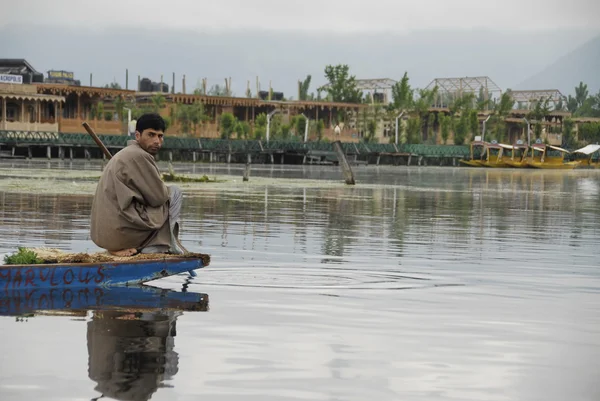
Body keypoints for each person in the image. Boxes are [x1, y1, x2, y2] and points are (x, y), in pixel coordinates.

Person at [90, 113, 184, 257]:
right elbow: (159, 198)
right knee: (175, 193)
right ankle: (161, 244)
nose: (157, 141)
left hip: (105, 236)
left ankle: (154, 243)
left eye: (160, 136)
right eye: (151, 135)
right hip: (119, 234)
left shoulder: (127, 153)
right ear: (138, 136)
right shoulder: (139, 155)